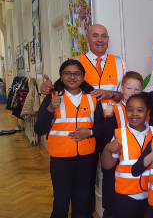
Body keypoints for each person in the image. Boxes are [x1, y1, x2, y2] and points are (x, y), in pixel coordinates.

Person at [40, 24, 127, 218]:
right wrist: (46, 89)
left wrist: (109, 93)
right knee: (84, 179)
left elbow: (125, 94)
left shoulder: (119, 62)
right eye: (95, 35)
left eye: (104, 36)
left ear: (108, 39)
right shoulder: (76, 62)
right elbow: (64, 85)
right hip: (85, 129)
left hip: (111, 126)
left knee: (111, 170)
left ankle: (110, 211)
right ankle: (86, 211)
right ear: (87, 39)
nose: (100, 40)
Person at [34, 60, 104, 218]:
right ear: (61, 76)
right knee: (61, 202)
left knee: (81, 201)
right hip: (61, 160)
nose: (72, 77)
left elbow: (101, 126)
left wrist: (90, 132)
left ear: (83, 77)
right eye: (67, 73)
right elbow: (39, 129)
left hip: (86, 158)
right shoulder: (52, 97)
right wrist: (51, 108)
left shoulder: (92, 98)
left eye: (77, 73)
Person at [101, 92, 153, 218]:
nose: (134, 114)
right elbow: (107, 166)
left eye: (140, 110)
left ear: (148, 112)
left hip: (152, 193)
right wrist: (107, 149)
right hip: (126, 195)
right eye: (130, 110)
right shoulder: (119, 135)